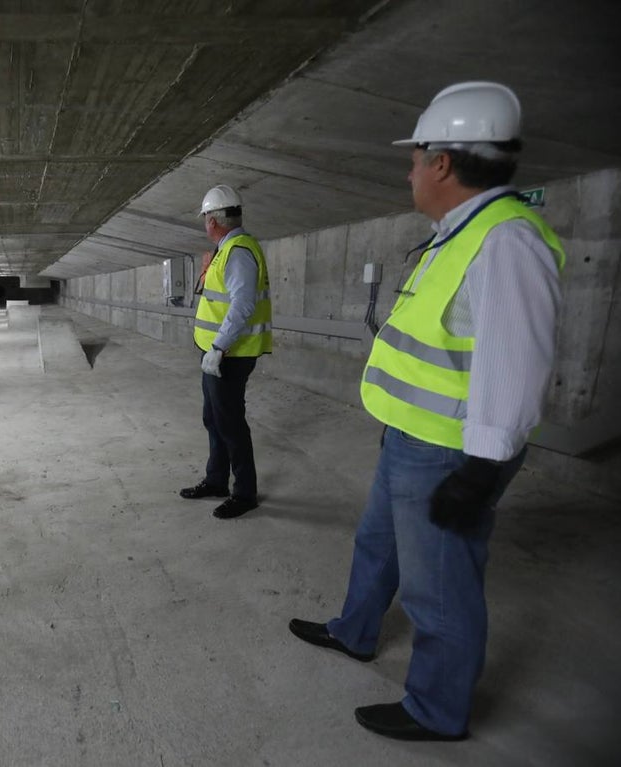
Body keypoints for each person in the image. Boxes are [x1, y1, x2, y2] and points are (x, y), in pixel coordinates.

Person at [288, 82, 566, 741]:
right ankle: (356, 630)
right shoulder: (457, 233)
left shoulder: (506, 242)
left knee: (439, 590)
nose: (408, 169)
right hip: (411, 436)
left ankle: (437, 709)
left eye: (414, 157)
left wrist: (480, 469)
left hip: (448, 452)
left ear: (443, 162)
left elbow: (519, 361)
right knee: (376, 542)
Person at [179, 184, 272, 519]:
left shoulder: (238, 252)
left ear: (212, 222)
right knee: (214, 418)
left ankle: (244, 493)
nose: (205, 224)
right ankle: (216, 480)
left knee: (231, 423)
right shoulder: (227, 248)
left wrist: (218, 348)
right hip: (216, 355)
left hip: (230, 355)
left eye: (205, 218)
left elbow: (243, 305)